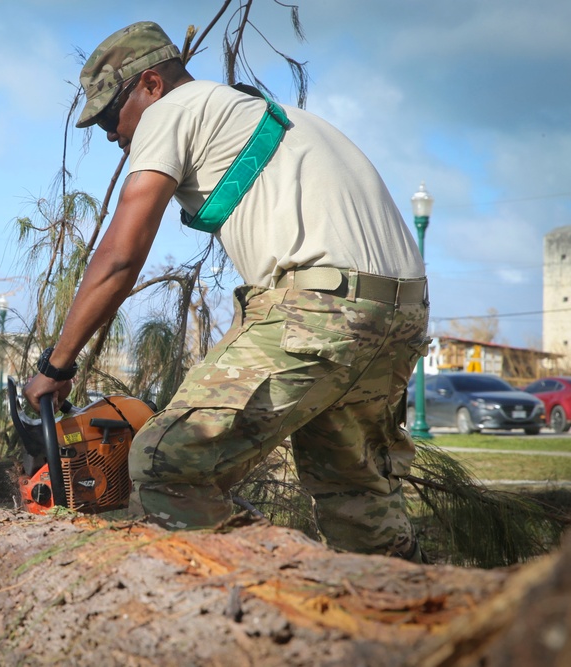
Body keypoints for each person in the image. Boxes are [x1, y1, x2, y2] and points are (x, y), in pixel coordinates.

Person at [23, 21, 429, 561]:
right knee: (357, 496)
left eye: (109, 116)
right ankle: (413, 620)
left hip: (320, 309)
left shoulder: (174, 109)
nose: (111, 135)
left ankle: (276, 594)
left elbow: (121, 256)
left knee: (165, 463)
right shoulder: (279, 119)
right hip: (399, 314)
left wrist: (57, 365)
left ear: (150, 84)